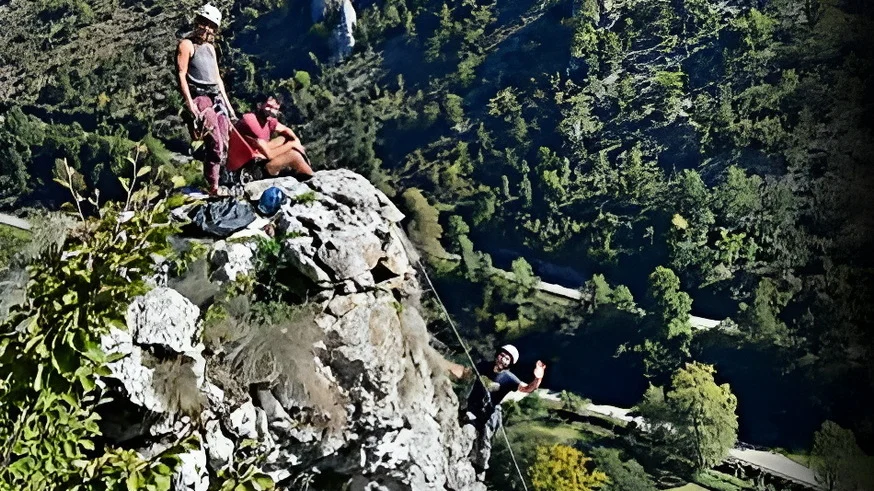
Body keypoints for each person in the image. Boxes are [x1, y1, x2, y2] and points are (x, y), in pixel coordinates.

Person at [446, 344, 546, 473]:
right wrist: (446, 367)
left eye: (507, 358)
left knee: (484, 441)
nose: (502, 359)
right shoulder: (484, 366)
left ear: (510, 363)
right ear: (497, 354)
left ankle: (480, 468)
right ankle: (460, 456)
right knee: (466, 430)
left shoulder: (509, 379)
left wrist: (538, 378)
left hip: (488, 414)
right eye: (502, 355)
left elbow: (527, 389)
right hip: (472, 407)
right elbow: (466, 374)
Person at [176, 3, 238, 195]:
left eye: (210, 26)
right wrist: (189, 104)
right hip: (200, 97)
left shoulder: (210, 48)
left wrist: (229, 107)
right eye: (203, 23)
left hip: (216, 97)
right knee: (216, 142)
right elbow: (181, 74)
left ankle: (224, 181)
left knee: (226, 141)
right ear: (197, 22)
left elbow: (217, 78)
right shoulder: (187, 45)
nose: (206, 28)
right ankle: (213, 186)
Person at [235, 94, 314, 179]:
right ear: (260, 105)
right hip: (252, 167)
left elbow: (286, 130)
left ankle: (301, 169)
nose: (272, 111)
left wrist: (295, 140)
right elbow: (270, 155)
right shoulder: (251, 121)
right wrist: (293, 145)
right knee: (294, 155)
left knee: (284, 139)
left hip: (260, 153)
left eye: (275, 109)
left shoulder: (268, 120)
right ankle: (311, 178)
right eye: (269, 106)